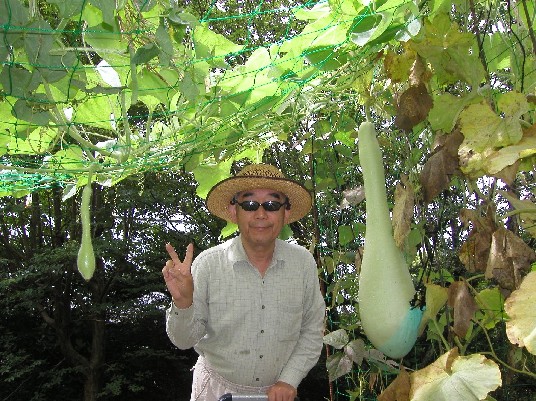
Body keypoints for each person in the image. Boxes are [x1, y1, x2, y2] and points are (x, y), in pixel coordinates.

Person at [162, 163, 326, 401]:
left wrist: (289, 379)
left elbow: (312, 330)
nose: (260, 214)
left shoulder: (303, 263)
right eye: (249, 204)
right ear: (233, 211)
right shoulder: (207, 264)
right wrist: (183, 303)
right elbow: (183, 341)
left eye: (272, 205)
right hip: (215, 391)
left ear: (286, 213)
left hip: (277, 395)